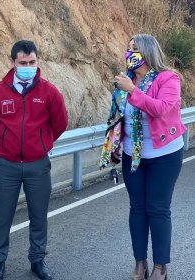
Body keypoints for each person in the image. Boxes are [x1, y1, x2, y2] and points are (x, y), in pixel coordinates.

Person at [0, 40, 68, 280]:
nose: (28, 66)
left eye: (32, 62)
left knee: (39, 216)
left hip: (37, 164)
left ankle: (38, 260)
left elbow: (60, 123)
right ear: (13, 63)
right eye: (23, 63)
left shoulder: (49, 91)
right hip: (7, 165)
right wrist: (5, 140)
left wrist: (42, 142)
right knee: (1, 217)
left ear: (37, 61)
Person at [109, 34, 185, 280]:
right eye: (128, 48)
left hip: (165, 154)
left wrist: (132, 91)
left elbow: (161, 108)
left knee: (158, 209)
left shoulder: (168, 78)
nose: (129, 53)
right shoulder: (125, 80)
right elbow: (118, 115)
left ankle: (160, 267)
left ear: (148, 52)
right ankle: (140, 263)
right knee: (138, 209)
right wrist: (114, 143)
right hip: (134, 155)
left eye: (135, 49)